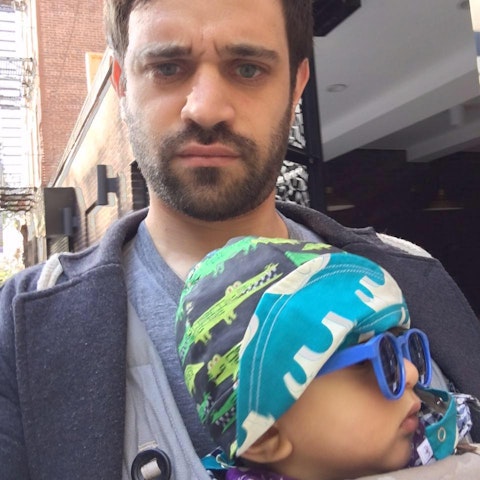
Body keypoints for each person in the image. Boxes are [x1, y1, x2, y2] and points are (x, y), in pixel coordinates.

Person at [1, 0, 480, 478]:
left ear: (296, 85)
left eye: (248, 68)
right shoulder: (19, 331)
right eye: (168, 67)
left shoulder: (413, 271)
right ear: (122, 83)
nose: (206, 109)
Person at [176, 236, 476, 480]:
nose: (410, 373)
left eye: (401, 347)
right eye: (366, 362)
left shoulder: (457, 450)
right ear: (265, 435)